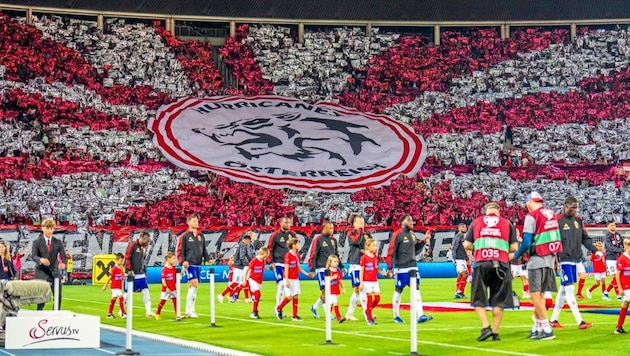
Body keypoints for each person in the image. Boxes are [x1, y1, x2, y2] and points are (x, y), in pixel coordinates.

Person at [510, 192, 561, 340]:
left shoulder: (531, 216)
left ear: (529, 202)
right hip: (550, 259)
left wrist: (515, 255)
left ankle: (546, 328)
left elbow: (526, 242)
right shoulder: (551, 214)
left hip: (537, 258)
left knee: (534, 294)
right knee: (541, 295)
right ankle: (536, 328)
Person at [464, 202, 518, 341]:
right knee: (499, 300)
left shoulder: (476, 222)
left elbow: (467, 244)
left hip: (482, 263)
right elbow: (514, 247)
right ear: (498, 211)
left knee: (478, 298)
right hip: (501, 264)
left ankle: (485, 327)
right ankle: (495, 332)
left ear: (486, 211)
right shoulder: (507, 224)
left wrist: (480, 246)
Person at [549, 195, 597, 329]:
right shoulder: (557, 221)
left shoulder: (578, 220)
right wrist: (554, 258)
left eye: (576, 208)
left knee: (563, 290)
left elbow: (585, 239)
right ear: (566, 206)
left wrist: (594, 250)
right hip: (564, 259)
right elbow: (552, 240)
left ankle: (553, 319)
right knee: (569, 289)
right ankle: (580, 321)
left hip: (575, 259)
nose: (575, 210)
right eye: (572, 208)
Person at [386, 214, 433, 323]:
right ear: (402, 222)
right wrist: (389, 268)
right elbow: (390, 253)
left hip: (413, 266)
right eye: (409, 221)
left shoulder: (412, 235)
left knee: (416, 288)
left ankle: (420, 315)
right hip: (401, 268)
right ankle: (396, 315)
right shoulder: (397, 235)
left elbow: (415, 250)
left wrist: (424, 241)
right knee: (399, 290)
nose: (412, 222)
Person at [177, 215, 210, 318]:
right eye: (194, 221)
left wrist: (208, 259)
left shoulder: (201, 235)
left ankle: (188, 310)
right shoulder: (185, 236)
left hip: (198, 264)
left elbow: (204, 249)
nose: (197, 223)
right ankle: (192, 310)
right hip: (189, 264)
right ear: (189, 222)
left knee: (193, 288)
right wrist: (183, 261)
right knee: (194, 285)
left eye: (197, 221)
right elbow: (180, 251)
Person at [32, 218, 67, 310]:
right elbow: (33, 256)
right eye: (47, 228)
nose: (49, 231)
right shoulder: (36, 242)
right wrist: (41, 259)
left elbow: (63, 256)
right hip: (41, 271)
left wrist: (63, 263)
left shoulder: (58, 242)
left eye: (51, 228)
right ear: (42, 228)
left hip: (54, 271)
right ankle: (39, 314)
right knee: (41, 297)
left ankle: (55, 313)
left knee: (58, 295)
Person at [276, 238, 313, 321]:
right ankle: (279, 308)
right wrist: (286, 279)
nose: (299, 245)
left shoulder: (297, 255)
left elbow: (298, 267)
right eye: (298, 244)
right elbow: (286, 268)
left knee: (296, 295)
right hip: (289, 278)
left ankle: (295, 315)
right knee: (290, 296)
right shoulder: (288, 255)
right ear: (293, 245)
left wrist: (307, 274)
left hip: (295, 278)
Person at [308, 221, 339, 319]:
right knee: (326, 291)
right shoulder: (318, 240)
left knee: (327, 292)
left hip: (332, 269)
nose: (332, 230)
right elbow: (313, 255)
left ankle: (314, 307)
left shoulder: (334, 240)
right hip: (321, 269)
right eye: (330, 228)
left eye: (333, 228)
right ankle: (327, 314)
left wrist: (341, 267)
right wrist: (312, 269)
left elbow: (336, 254)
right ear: (324, 228)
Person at [267, 217, 296, 311]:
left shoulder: (292, 234)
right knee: (281, 284)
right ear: (281, 223)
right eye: (286, 222)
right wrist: (270, 262)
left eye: (289, 223)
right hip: (278, 263)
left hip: (289, 265)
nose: (288, 224)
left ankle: (279, 308)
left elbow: (296, 248)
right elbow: (270, 249)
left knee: (287, 286)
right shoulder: (275, 235)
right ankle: (278, 308)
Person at [345, 214, 368, 321]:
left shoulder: (366, 234)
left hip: (365, 264)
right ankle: (366, 312)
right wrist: (360, 231)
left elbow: (371, 246)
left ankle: (350, 313)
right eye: (359, 222)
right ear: (354, 224)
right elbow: (356, 241)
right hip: (355, 264)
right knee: (359, 289)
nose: (362, 225)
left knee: (359, 290)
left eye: (363, 222)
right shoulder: (351, 233)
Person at [125, 230, 154, 317]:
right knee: (127, 293)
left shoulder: (142, 248)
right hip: (132, 274)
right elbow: (127, 258)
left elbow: (142, 261)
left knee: (146, 291)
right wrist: (129, 269)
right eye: (147, 240)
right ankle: (122, 310)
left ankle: (148, 311)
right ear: (142, 238)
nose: (148, 242)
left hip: (141, 274)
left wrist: (144, 271)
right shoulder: (133, 245)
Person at [360, 238, 387, 325]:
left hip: (374, 280)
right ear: (368, 247)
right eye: (374, 245)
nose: (375, 247)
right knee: (369, 298)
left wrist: (382, 272)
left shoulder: (375, 257)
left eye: (376, 245)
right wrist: (361, 283)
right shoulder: (364, 257)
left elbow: (376, 268)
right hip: (366, 281)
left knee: (378, 298)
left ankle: (368, 311)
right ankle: (369, 319)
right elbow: (362, 270)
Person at [241, 247, 269, 319]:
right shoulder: (254, 260)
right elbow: (247, 269)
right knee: (257, 293)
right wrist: (244, 280)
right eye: (265, 255)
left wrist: (268, 268)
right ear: (262, 253)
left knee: (257, 296)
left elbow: (262, 268)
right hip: (253, 279)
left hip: (259, 281)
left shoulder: (263, 260)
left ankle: (255, 309)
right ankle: (254, 312)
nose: (266, 257)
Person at [155, 251, 179, 320]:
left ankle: (177, 314)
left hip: (173, 288)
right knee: (163, 301)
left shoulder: (174, 268)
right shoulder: (164, 269)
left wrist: (184, 269)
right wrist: (166, 287)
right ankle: (157, 313)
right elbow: (163, 279)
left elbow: (176, 277)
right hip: (166, 289)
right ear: (168, 259)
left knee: (175, 301)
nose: (174, 260)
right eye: (173, 259)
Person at [604, 221, 624, 301]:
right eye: (611, 225)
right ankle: (617, 295)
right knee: (616, 276)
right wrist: (621, 250)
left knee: (619, 277)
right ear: (608, 227)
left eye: (614, 225)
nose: (613, 227)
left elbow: (622, 244)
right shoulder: (607, 236)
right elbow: (610, 247)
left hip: (619, 258)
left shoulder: (618, 235)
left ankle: (606, 292)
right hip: (610, 258)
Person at [614, 237, 630, 334]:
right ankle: (618, 327)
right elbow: (618, 274)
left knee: (625, 304)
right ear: (627, 246)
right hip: (626, 286)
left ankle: (619, 327)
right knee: (625, 303)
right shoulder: (622, 259)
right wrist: (619, 287)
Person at [102, 253, 126, 319]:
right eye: (121, 261)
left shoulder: (121, 267)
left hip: (118, 286)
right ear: (117, 260)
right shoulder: (114, 268)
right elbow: (110, 277)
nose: (122, 262)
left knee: (114, 299)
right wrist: (105, 286)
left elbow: (122, 275)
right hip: (115, 286)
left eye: (123, 261)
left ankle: (109, 313)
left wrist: (125, 276)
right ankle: (123, 313)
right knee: (121, 297)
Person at [510, 230, 530, 298]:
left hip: (521, 263)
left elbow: (526, 251)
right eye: (515, 233)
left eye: (517, 232)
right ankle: (508, 292)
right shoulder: (511, 242)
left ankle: (526, 292)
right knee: (510, 279)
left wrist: (525, 259)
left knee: (524, 278)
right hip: (513, 263)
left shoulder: (522, 242)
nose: (516, 234)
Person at [452, 223, 470, 299]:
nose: (465, 228)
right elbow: (454, 247)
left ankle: (457, 292)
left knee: (460, 275)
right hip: (459, 259)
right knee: (465, 274)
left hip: (461, 258)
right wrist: (454, 258)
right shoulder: (459, 236)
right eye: (463, 227)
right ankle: (460, 291)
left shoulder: (461, 236)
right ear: (459, 228)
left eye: (465, 227)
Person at [327, 254, 346, 323]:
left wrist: (343, 288)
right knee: (335, 303)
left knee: (331, 303)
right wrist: (332, 278)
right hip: (330, 290)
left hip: (336, 289)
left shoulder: (338, 270)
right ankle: (338, 317)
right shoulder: (327, 271)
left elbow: (340, 280)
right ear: (330, 262)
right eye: (334, 262)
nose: (336, 263)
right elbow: (326, 280)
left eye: (337, 262)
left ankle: (327, 317)